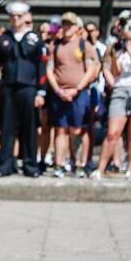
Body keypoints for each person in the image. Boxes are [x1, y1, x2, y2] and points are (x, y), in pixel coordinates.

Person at [92, 18, 131, 179]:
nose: (127, 33)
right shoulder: (118, 50)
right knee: (113, 132)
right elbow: (114, 71)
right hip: (120, 90)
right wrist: (116, 57)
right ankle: (100, 169)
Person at [0, 2, 46, 177]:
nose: (15, 19)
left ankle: (31, 166)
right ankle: (5, 165)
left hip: (29, 88)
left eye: (19, 16)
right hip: (8, 88)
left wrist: (41, 91)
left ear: (25, 18)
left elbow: (41, 66)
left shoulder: (35, 39)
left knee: (29, 128)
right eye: (12, 16)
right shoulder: (3, 39)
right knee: (7, 128)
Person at [45, 12, 99, 178]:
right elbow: (50, 69)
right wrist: (58, 90)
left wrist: (77, 89)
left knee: (78, 130)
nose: (67, 28)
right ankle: (59, 164)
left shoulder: (84, 45)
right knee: (60, 129)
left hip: (79, 93)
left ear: (77, 28)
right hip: (60, 93)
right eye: (64, 24)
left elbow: (91, 70)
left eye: (70, 25)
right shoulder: (56, 45)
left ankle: (80, 164)